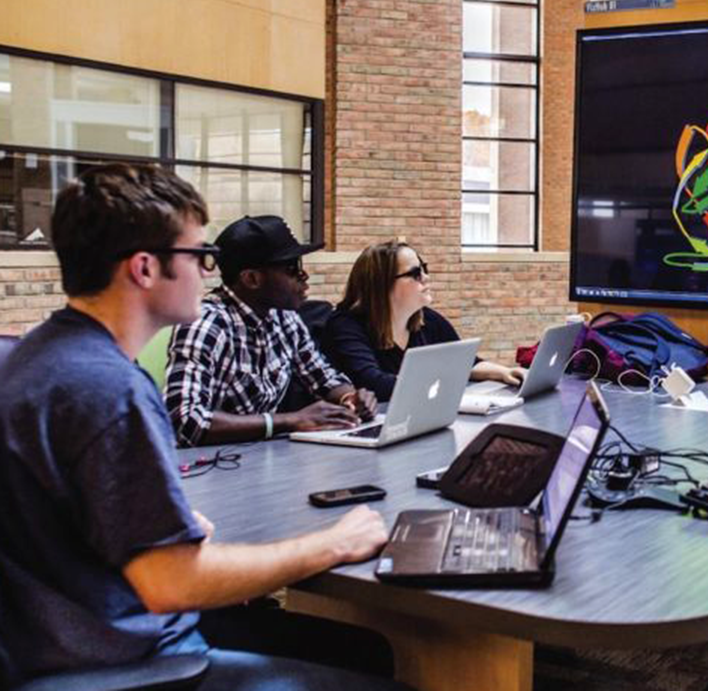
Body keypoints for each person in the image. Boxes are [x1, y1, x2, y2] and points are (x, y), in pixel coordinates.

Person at [0, 164, 403, 689]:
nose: (210, 273)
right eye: (199, 257)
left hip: (52, 637)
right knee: (375, 666)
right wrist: (334, 543)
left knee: (361, 647)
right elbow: (172, 581)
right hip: (122, 659)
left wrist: (166, 526)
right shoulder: (108, 388)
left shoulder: (31, 357)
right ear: (145, 268)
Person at [165, 215, 377, 446]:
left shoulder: (285, 318)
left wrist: (350, 397)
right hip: (210, 467)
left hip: (263, 458)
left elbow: (323, 377)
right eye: (291, 268)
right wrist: (288, 421)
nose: (303, 276)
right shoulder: (206, 325)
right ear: (252, 279)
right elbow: (184, 421)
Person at [321, 239, 525, 401]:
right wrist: (442, 381)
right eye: (415, 273)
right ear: (382, 284)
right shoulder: (345, 325)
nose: (426, 278)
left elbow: (464, 362)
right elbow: (373, 384)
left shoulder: (426, 318)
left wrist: (505, 372)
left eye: (424, 269)